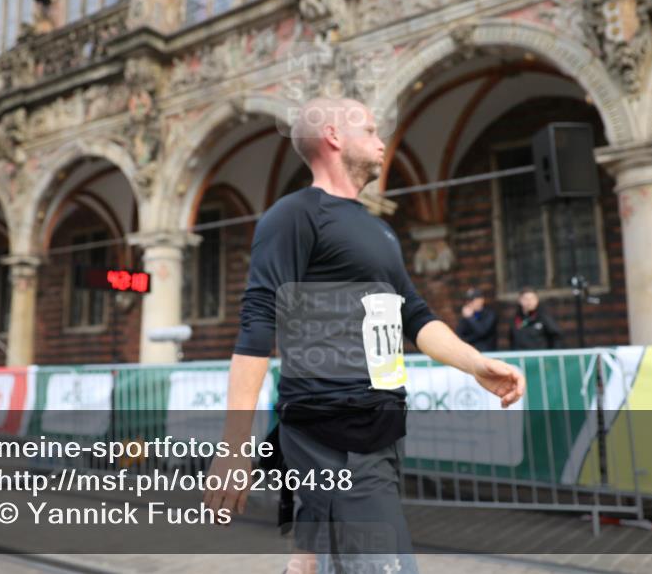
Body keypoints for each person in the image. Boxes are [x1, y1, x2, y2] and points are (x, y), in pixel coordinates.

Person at [204, 98, 525, 574]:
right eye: (371, 130)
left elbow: (413, 315)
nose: (381, 142)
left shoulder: (379, 231)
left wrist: (475, 363)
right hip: (334, 436)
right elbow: (256, 324)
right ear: (334, 136)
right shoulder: (294, 216)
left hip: (380, 432)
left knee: (317, 563)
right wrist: (234, 449)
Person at [509, 286, 563, 350]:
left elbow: (556, 337)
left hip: (540, 357)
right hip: (521, 357)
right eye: (526, 299)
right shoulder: (515, 319)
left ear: (537, 300)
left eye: (532, 298)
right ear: (520, 300)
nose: (529, 302)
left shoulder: (544, 317)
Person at [455, 287, 498, 352]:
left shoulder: (490, 314)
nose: (469, 303)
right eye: (468, 301)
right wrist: (465, 318)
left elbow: (482, 332)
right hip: (470, 352)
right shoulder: (467, 315)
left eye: (472, 300)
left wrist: (471, 318)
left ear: (481, 300)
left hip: (486, 353)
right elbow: (459, 335)